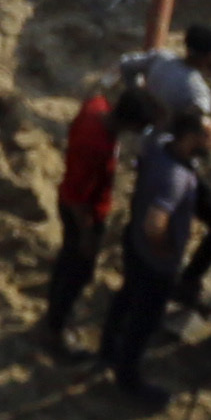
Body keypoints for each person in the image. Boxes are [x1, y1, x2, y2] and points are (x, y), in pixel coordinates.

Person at [99, 104, 211, 396]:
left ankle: (107, 348)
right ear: (191, 137)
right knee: (143, 322)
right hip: (155, 263)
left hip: (134, 243)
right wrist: (163, 251)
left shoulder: (160, 145)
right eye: (209, 136)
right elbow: (155, 224)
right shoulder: (177, 178)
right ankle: (129, 379)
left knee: (126, 295)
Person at [38, 68, 128, 353]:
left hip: (75, 201)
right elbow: (78, 198)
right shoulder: (97, 146)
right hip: (83, 212)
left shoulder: (96, 107)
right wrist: (87, 234)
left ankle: (55, 314)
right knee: (77, 270)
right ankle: (56, 328)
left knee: (68, 262)